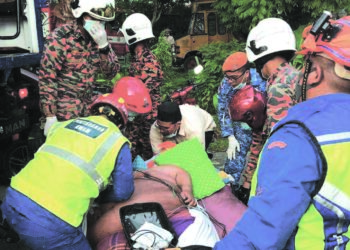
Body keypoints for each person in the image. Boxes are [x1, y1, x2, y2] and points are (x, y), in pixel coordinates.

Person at [215, 14, 350, 249]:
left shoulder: (293, 122)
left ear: (316, 73)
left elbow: (267, 227)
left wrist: (248, 183)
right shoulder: (292, 81)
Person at [0, 77, 153, 250]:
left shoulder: (65, 124)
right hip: (51, 224)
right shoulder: (117, 142)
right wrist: (99, 196)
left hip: (12, 200)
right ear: (123, 121)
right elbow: (123, 192)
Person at [235, 17, 303, 203]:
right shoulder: (296, 76)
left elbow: (278, 143)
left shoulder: (277, 88)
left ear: (260, 57)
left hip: (288, 178)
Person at [39, 0, 121, 136]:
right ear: (83, 15)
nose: (99, 25)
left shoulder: (99, 40)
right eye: (95, 19)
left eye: (102, 21)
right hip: (63, 114)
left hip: (87, 114)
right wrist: (50, 116)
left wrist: (104, 48)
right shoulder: (60, 38)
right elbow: (47, 78)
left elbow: (111, 73)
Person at [87, 165, 196, 246]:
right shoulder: (144, 174)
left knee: (93, 234)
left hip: (145, 204)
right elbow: (179, 172)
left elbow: (179, 172)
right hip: (139, 205)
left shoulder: (155, 171)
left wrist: (187, 189)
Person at [120, 13, 164, 160]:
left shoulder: (149, 62)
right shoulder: (137, 60)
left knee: (148, 156)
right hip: (137, 117)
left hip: (147, 119)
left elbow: (141, 93)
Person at [217, 52, 265, 185]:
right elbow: (223, 110)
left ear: (247, 73)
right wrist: (230, 136)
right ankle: (231, 186)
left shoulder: (262, 80)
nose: (230, 81)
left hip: (263, 125)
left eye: (234, 78)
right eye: (227, 77)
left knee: (262, 162)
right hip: (240, 125)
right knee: (234, 160)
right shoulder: (226, 84)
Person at [150, 101, 216, 156]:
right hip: (179, 131)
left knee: (190, 157)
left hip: (206, 127)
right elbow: (157, 155)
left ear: (177, 124)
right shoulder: (155, 128)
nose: (161, 130)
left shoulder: (194, 129)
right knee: (169, 154)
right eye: (160, 127)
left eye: (165, 128)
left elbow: (197, 156)